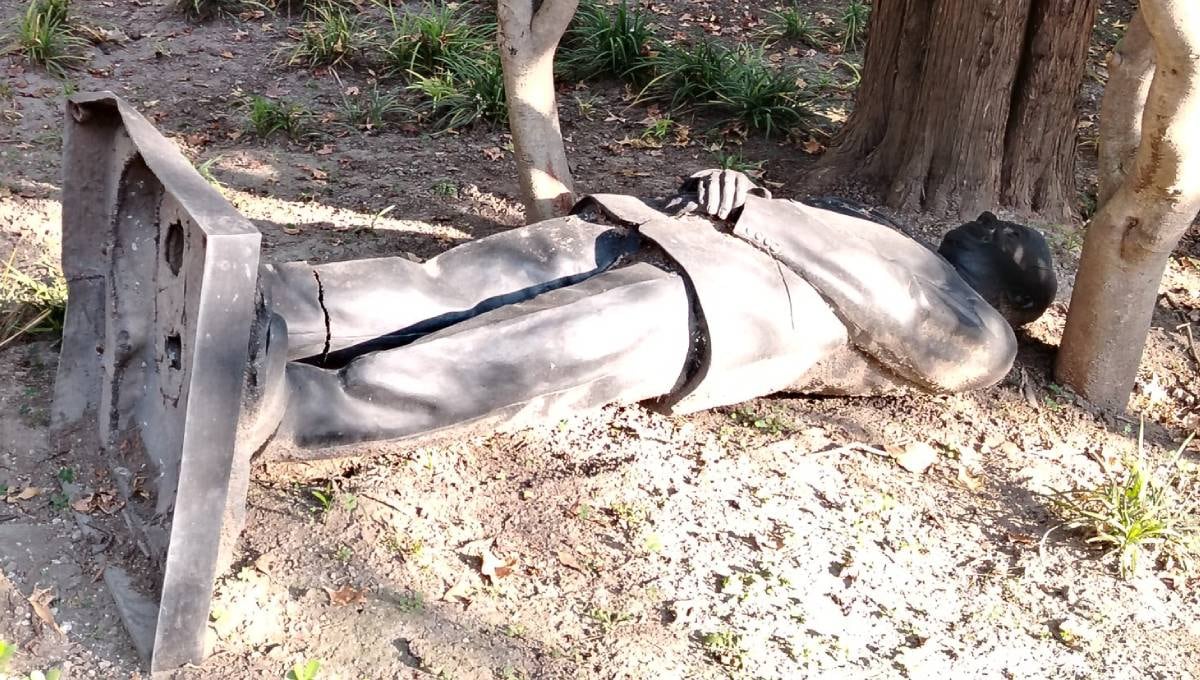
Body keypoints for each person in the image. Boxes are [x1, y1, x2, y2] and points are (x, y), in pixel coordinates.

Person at [240, 169, 1057, 456]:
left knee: (507, 352)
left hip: (720, 308)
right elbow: (802, 219)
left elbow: (895, 311)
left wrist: (755, 219)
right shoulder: (887, 229)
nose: (990, 221)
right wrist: (738, 192)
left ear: (1017, 303)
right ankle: (269, 304)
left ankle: (294, 411)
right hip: (665, 236)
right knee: (451, 281)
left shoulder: (984, 341)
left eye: (1009, 236)